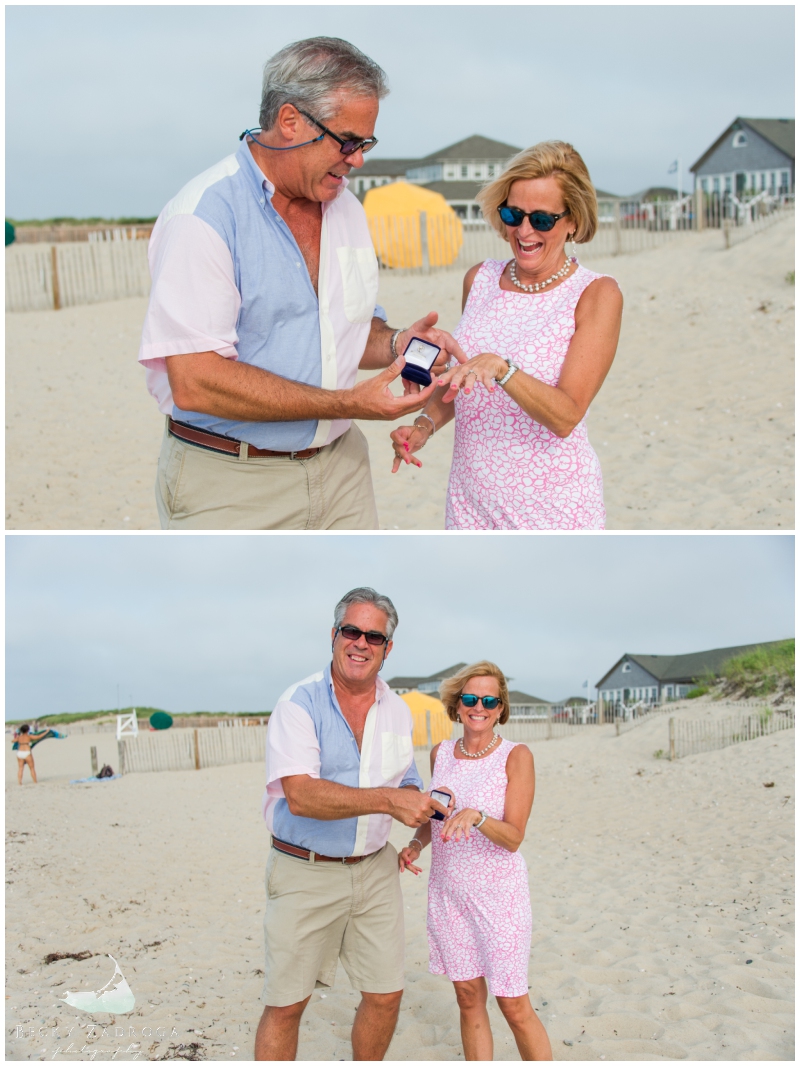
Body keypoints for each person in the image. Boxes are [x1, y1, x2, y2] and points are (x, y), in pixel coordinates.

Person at [139, 36, 465, 530]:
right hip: (232, 481)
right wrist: (347, 403)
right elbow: (195, 379)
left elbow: (349, 332)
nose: (358, 160)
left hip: (343, 470)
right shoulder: (203, 216)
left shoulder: (348, 208)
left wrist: (401, 343)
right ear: (290, 121)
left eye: (367, 144)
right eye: (349, 141)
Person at [255, 587, 453, 1061]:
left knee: (385, 996)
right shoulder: (298, 704)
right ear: (333, 635)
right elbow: (301, 796)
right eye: (351, 631)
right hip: (306, 869)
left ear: (388, 648)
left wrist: (419, 801)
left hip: (376, 870)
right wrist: (388, 801)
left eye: (374, 636)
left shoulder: (398, 710)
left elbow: (404, 778)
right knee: (286, 1005)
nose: (361, 643)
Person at [390, 141, 623, 530]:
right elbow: (466, 383)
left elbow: (566, 415)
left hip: (553, 506)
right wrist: (422, 427)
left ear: (573, 221)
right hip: (470, 499)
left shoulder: (596, 294)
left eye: (542, 220)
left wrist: (502, 369)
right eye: (513, 214)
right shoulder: (479, 279)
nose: (524, 230)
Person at [397, 662, 552, 1061]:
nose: (478, 706)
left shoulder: (516, 756)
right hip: (449, 895)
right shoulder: (441, 752)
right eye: (469, 698)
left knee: (513, 1004)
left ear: (501, 708)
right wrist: (415, 844)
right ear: (457, 704)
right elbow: (439, 816)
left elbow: (514, 837)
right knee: (468, 998)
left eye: (488, 700)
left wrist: (479, 817)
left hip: (499, 899)